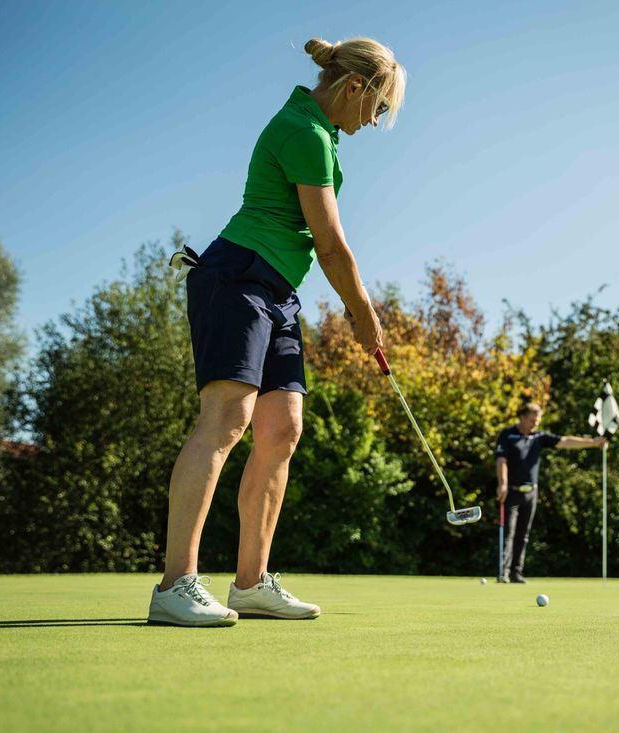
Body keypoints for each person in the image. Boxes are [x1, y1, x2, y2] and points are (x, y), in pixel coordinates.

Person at [147, 37, 407, 627]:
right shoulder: (304, 130)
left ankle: (250, 583)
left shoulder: (327, 134)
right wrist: (362, 311)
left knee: (282, 429)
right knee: (226, 420)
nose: (374, 123)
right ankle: (175, 585)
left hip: (276, 292)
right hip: (235, 276)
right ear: (354, 88)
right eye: (377, 109)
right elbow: (330, 245)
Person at [494, 403, 606, 583]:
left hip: (531, 492)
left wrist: (593, 442)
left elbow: (565, 441)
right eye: (532, 420)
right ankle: (503, 573)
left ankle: (516, 573)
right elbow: (501, 460)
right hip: (511, 493)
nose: (535, 423)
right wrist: (503, 483)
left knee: (523, 534)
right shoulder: (507, 435)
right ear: (522, 417)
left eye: (537, 420)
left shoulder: (538, 436)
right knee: (508, 533)